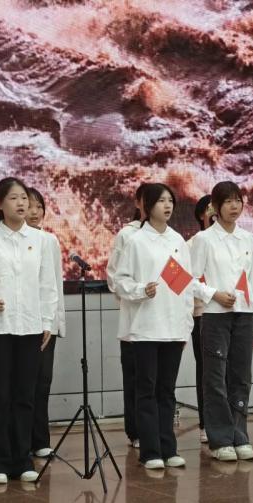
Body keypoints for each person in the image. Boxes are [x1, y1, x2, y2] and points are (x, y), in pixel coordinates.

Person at [0, 177, 58, 484]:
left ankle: (22, 459)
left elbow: (48, 284)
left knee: (25, 395)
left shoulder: (41, 240)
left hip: (30, 327)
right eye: (13, 198)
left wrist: (47, 322)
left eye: (24, 198)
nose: (21, 203)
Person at [114, 183, 193, 469]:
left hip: (172, 327)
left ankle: (168, 448)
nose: (167, 206)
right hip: (145, 326)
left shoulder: (178, 240)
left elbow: (185, 285)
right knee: (146, 390)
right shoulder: (136, 241)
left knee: (166, 391)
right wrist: (140, 290)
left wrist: (186, 325)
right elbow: (120, 280)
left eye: (170, 200)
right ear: (147, 206)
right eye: (161, 201)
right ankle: (150, 451)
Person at [191, 181, 253, 462]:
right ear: (215, 207)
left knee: (241, 377)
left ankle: (240, 435)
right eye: (228, 201)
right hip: (215, 315)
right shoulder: (204, 240)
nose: (235, 206)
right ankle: (220, 439)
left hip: (245, 315)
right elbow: (189, 280)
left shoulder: (249, 239)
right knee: (215, 378)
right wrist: (214, 294)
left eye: (238, 201)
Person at [106, 183, 149, 449]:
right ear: (139, 203)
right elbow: (114, 276)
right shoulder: (127, 234)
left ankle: (157, 429)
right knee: (134, 377)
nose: (163, 206)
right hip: (134, 319)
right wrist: (134, 294)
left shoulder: (172, 238)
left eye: (167, 201)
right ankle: (136, 431)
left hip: (161, 322)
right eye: (154, 200)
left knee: (157, 380)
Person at [25, 187, 66, 458]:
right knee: (20, 385)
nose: (35, 211)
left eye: (39, 206)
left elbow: (54, 285)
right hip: (15, 325)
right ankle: (19, 441)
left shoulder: (49, 240)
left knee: (42, 382)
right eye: (29, 205)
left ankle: (39, 440)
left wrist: (54, 322)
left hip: (44, 324)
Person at [188, 195, 215, 443]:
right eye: (209, 208)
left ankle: (228, 421)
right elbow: (182, 281)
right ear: (200, 215)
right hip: (202, 315)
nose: (214, 211)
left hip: (229, 314)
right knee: (205, 370)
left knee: (228, 371)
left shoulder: (235, 241)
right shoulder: (191, 243)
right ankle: (206, 423)